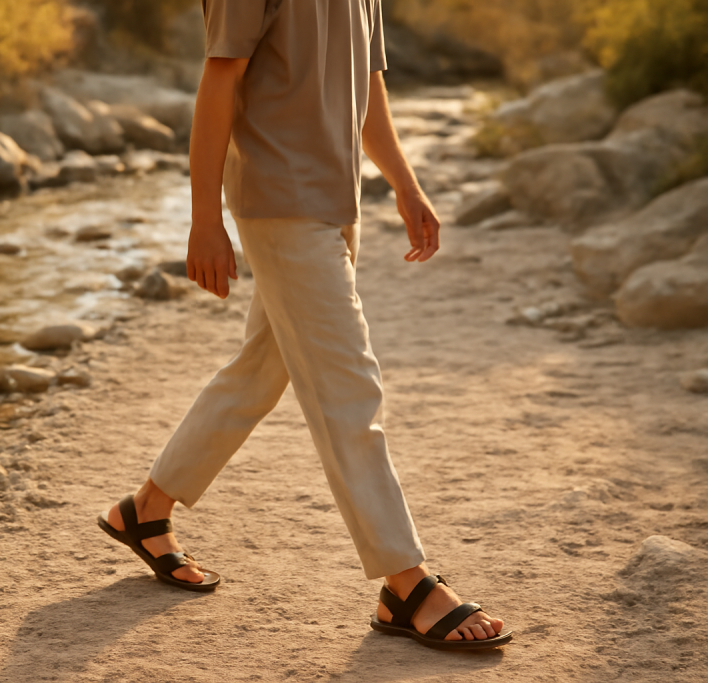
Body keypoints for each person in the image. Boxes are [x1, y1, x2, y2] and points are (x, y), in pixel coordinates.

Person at [98, 0, 511, 650]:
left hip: (334, 196)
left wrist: (403, 182)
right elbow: (220, 77)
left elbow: (366, 84)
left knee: (262, 369)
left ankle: (145, 509)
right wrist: (206, 217)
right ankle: (407, 580)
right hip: (278, 198)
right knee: (350, 384)